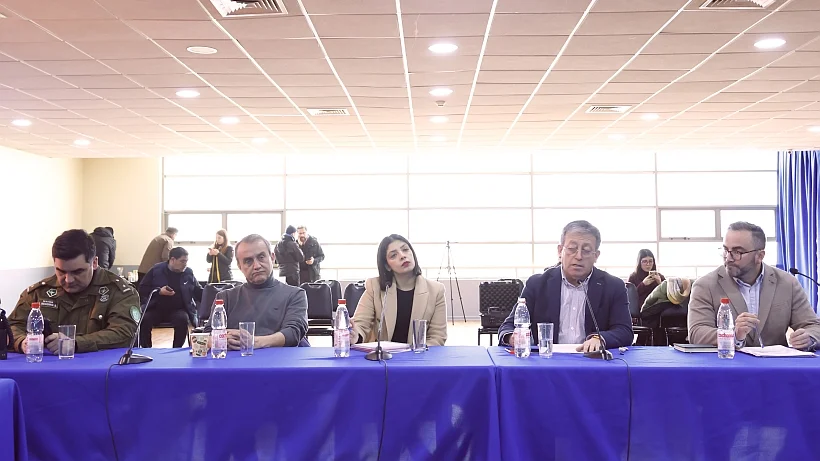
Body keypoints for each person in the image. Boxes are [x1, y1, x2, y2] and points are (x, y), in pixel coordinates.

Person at [498, 220, 633, 352]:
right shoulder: (538, 284)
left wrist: (600, 338)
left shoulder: (613, 286)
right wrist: (512, 337)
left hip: (592, 360)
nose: (578, 256)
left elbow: (624, 331)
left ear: (596, 256)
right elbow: (508, 326)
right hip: (548, 360)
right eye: (572, 249)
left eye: (586, 250)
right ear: (560, 250)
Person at [688, 221, 820, 350]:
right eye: (726, 250)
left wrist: (809, 338)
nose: (728, 258)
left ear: (760, 256)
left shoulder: (787, 283)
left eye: (737, 252)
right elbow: (697, 333)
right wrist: (734, 335)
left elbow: (813, 326)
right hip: (727, 362)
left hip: (774, 363)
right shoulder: (705, 285)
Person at [9, 229, 138, 354]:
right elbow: (12, 326)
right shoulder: (39, 293)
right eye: (61, 271)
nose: (68, 280)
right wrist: (22, 342)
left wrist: (76, 343)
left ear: (94, 263)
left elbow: (124, 332)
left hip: (102, 366)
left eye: (77, 272)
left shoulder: (119, 292)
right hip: (47, 365)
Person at [350, 234, 447, 346]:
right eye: (393, 255)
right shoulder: (375, 287)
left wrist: (416, 353)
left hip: (418, 355)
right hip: (384, 355)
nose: (402, 256)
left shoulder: (436, 290)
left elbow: (437, 337)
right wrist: (355, 335)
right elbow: (361, 324)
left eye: (405, 250)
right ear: (387, 266)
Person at [213, 234, 308, 348]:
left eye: (261, 257)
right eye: (248, 261)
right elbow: (208, 335)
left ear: (272, 257)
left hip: (280, 358)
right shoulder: (225, 298)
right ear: (240, 266)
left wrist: (254, 342)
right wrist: (220, 339)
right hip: (236, 358)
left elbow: (293, 333)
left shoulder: (295, 295)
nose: (257, 266)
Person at [138, 247, 202, 348]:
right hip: (155, 308)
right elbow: (142, 289)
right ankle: (147, 349)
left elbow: (198, 291)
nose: (185, 264)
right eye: (182, 261)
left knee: (183, 319)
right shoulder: (156, 270)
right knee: (144, 319)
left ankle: (176, 349)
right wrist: (159, 291)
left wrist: (211, 294)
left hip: (178, 309)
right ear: (172, 260)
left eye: (186, 261)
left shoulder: (188, 273)